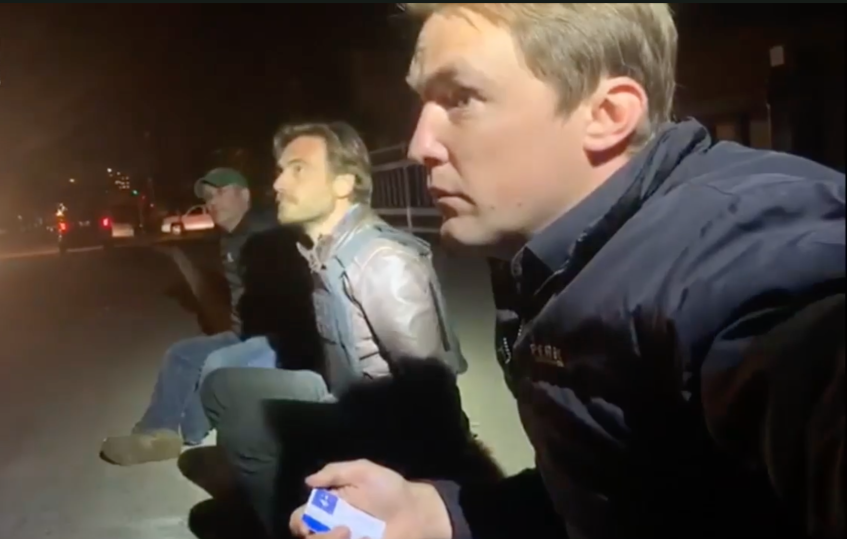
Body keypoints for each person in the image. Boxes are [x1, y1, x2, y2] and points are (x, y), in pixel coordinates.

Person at [290, 4, 846, 539]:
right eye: (424, 104)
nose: (419, 145)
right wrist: (441, 511)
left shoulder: (744, 249)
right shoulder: (555, 251)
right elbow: (619, 496)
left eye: (460, 99)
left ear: (606, 115)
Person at [199, 121, 484, 537]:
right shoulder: (324, 250)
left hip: (389, 428)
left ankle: (307, 525)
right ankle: (295, 495)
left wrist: (429, 491)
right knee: (223, 385)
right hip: (347, 394)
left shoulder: (380, 262)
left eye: (298, 169)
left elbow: (431, 393)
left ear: (344, 183)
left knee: (246, 424)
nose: (278, 182)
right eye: (280, 169)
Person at [100, 167, 313, 466]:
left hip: (278, 340)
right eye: (209, 197)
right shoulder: (230, 239)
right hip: (246, 334)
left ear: (245, 195)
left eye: (221, 192)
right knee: (182, 354)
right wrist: (181, 261)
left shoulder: (267, 232)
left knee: (212, 377)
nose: (213, 202)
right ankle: (156, 433)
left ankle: (191, 433)